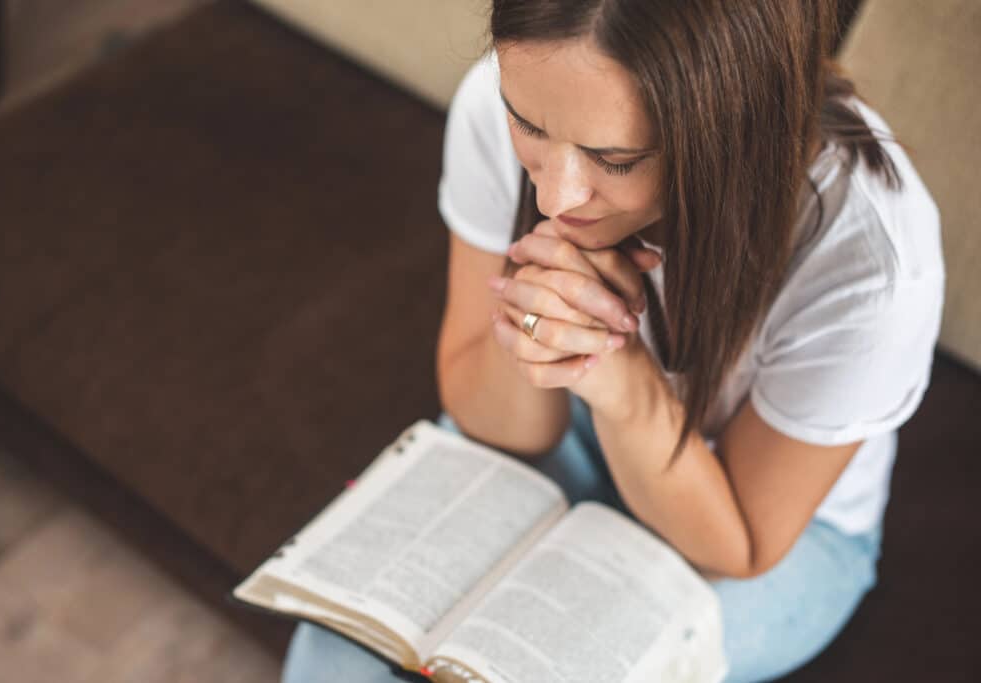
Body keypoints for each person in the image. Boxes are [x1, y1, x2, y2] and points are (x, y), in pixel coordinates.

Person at [280, 1, 944, 681]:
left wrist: (622, 379)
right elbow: (498, 426)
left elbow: (738, 546)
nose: (555, 198)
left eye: (616, 159)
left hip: (767, 531)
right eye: (529, 125)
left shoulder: (870, 261)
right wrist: (541, 308)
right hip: (577, 429)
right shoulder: (502, 98)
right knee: (345, 644)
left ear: (734, 123)